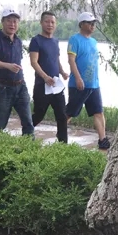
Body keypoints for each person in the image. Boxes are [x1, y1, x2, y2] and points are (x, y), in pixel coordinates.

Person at [0, 9, 34, 136]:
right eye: (9, 21)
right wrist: (8, 66)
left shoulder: (18, 41)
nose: (12, 24)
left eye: (15, 21)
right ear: (2, 22)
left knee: (28, 123)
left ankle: (29, 146)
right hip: (3, 87)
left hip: (20, 86)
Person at [66, 12, 110, 150]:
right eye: (89, 23)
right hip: (78, 84)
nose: (92, 26)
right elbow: (71, 61)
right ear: (81, 24)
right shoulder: (74, 39)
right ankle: (60, 134)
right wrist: (78, 78)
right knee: (70, 112)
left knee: (98, 112)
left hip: (94, 84)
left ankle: (103, 140)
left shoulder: (94, 42)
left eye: (93, 23)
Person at [29, 11, 70, 143]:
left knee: (62, 116)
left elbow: (56, 59)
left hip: (56, 85)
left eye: (52, 22)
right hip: (42, 85)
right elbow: (33, 62)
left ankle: (63, 144)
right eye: (47, 21)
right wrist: (45, 77)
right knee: (39, 115)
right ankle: (26, 135)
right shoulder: (36, 41)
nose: (50, 24)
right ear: (41, 23)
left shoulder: (55, 41)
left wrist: (62, 72)